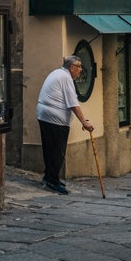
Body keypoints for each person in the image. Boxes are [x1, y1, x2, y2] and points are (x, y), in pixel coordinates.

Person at [36, 55, 94, 195]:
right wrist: (84, 122)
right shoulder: (66, 78)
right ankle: (53, 180)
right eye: (79, 66)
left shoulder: (58, 73)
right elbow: (73, 103)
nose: (80, 70)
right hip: (55, 119)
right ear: (72, 67)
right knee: (57, 151)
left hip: (45, 116)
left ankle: (49, 176)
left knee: (50, 148)